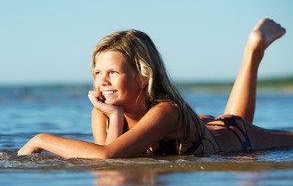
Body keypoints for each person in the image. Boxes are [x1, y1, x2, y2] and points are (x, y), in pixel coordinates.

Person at [18, 18, 293, 158]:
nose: (103, 80)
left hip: (235, 136)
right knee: (233, 115)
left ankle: (254, 49)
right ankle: (254, 51)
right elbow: (109, 164)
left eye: (113, 72)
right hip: (202, 127)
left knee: (241, 121)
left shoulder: (167, 111)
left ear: (143, 76)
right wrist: (114, 117)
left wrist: (41, 139)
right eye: (98, 73)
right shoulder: (103, 112)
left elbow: (107, 155)